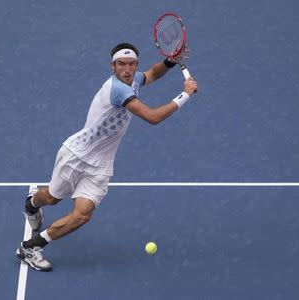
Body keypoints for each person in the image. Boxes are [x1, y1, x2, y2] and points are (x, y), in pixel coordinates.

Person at [16, 42, 198, 271]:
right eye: (121, 64)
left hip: (101, 164)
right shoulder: (118, 90)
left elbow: (152, 73)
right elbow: (152, 117)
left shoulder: (134, 79)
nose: (127, 69)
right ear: (112, 66)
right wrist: (185, 95)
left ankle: (31, 247)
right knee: (52, 198)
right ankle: (32, 204)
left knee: (82, 215)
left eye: (131, 64)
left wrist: (170, 62)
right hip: (76, 155)